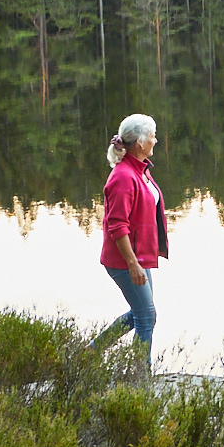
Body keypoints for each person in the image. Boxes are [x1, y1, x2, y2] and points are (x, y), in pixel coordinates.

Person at [93, 113, 164, 370]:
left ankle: (91, 352)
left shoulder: (140, 170)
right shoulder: (123, 177)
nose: (156, 140)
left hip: (140, 256)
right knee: (146, 316)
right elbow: (117, 226)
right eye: (152, 136)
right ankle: (139, 373)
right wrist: (133, 264)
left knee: (140, 314)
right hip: (124, 261)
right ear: (140, 143)